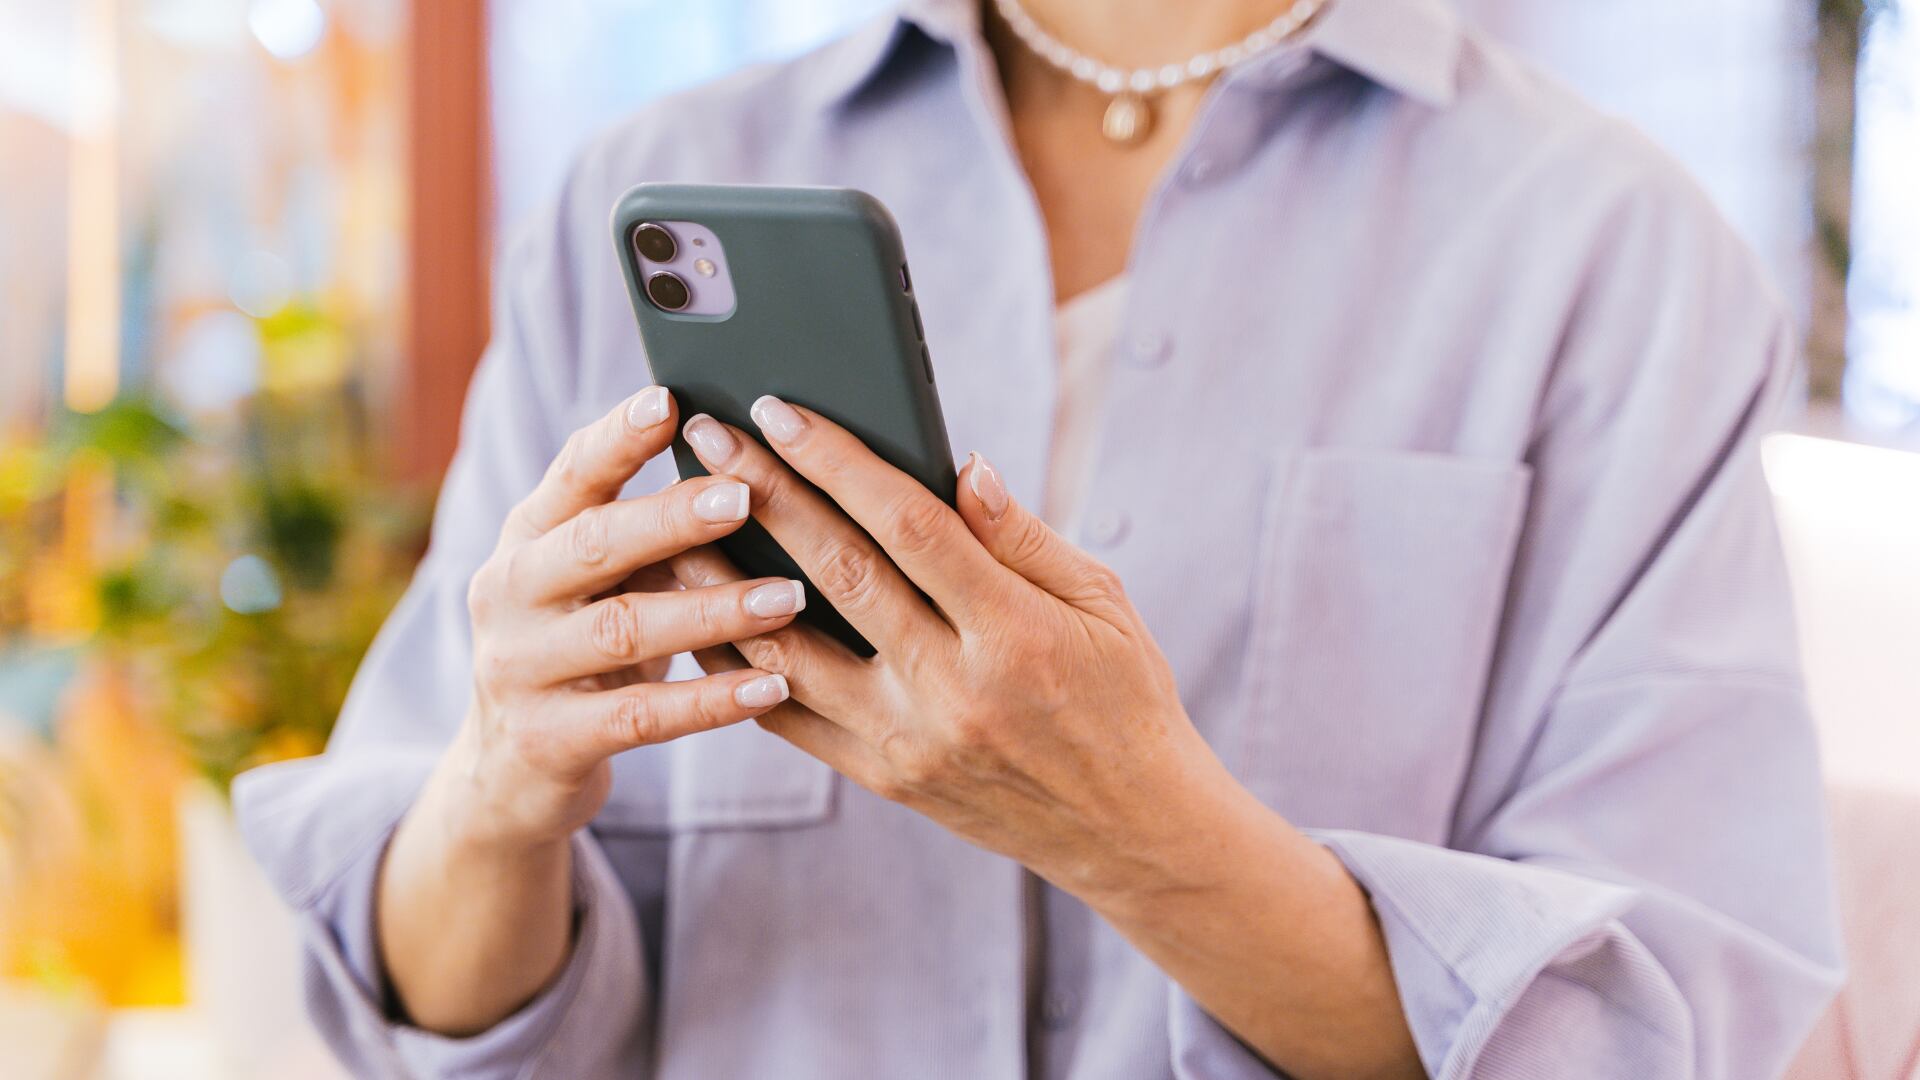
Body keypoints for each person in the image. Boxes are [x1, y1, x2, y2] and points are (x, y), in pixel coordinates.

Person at [235, 0, 1844, 1076]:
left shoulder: (1617, 259)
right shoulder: (647, 199)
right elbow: (434, 1017)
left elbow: (1660, 1032)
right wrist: (502, 791)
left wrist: (1142, 833)